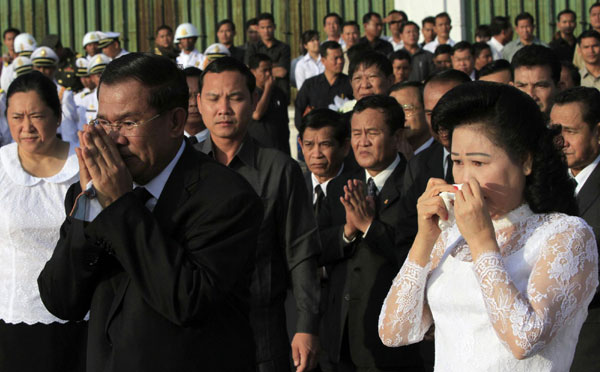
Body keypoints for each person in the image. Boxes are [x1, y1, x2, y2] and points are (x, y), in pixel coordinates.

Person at [38, 53, 263, 372]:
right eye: (104, 122)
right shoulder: (93, 191)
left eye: (128, 123)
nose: (114, 139)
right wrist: (91, 206)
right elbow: (61, 298)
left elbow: (187, 301)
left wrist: (119, 207)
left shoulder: (227, 197)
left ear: (175, 121)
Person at [378, 81, 598, 371]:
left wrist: (483, 242)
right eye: (457, 161)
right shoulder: (450, 234)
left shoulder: (565, 234)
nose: (466, 178)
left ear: (526, 161)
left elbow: (525, 340)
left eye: (479, 163)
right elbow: (394, 332)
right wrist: (424, 240)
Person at [195, 57, 321, 372]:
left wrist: (306, 325)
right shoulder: (184, 167)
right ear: (199, 103)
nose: (223, 108)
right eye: (213, 98)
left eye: (235, 97)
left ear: (253, 101)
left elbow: (301, 250)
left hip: (262, 329)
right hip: (196, 329)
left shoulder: (279, 168)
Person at [317, 95, 425, 371]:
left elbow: (417, 259)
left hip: (392, 340)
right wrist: (348, 231)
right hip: (339, 335)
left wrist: (370, 227)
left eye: (372, 133)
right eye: (356, 133)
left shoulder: (417, 185)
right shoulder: (341, 183)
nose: (362, 142)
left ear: (397, 135)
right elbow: (315, 247)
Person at [0, 71, 86, 372]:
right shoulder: (2, 167)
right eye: (16, 116)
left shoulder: (83, 167)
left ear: (58, 116)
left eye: (36, 116)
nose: (26, 127)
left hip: (79, 319)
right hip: (14, 317)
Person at [550, 86, 600, 371]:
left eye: (570, 131)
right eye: (555, 130)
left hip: (592, 341)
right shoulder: (544, 183)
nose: (560, 141)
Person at [298, 108, 350, 211]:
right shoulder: (295, 187)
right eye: (309, 145)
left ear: (345, 147)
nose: (317, 154)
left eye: (325, 145)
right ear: (301, 146)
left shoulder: (358, 189)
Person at [295, 41, 352, 129]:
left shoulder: (350, 83)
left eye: (341, 57)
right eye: (335, 58)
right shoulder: (310, 85)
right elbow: (299, 114)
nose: (340, 61)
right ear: (323, 60)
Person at [30, 46, 81, 145]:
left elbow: (68, 127)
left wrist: (69, 153)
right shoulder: (27, 92)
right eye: (38, 67)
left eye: (46, 67)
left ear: (54, 69)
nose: (42, 71)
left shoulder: (63, 94)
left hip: (55, 144)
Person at [248, 53, 290, 154]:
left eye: (270, 70)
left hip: (280, 149)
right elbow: (257, 114)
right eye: (264, 71)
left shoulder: (279, 92)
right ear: (253, 72)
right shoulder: (249, 92)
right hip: (259, 150)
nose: (268, 74)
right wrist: (267, 89)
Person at [245, 13, 292, 102]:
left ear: (274, 27)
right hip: (257, 93)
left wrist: (260, 70)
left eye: (269, 27)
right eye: (262, 28)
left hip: (280, 92)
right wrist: (275, 66)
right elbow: (249, 70)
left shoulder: (284, 47)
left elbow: (282, 72)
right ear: (258, 29)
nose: (266, 31)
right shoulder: (252, 48)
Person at [511, 45, 560, 117]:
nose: (530, 94)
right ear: (511, 87)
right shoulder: (498, 126)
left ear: (558, 87)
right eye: (522, 86)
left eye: (540, 86)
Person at [390, 81, 432, 154]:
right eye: (394, 111)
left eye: (407, 109)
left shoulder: (445, 152)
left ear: (426, 110)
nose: (400, 118)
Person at [182, 67, 208, 144]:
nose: (194, 103)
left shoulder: (225, 143)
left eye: (199, 96)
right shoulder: (163, 142)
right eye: (187, 96)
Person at [574, 3, 600, 69]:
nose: (597, 17)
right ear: (590, 18)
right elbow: (576, 65)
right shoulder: (583, 40)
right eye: (594, 15)